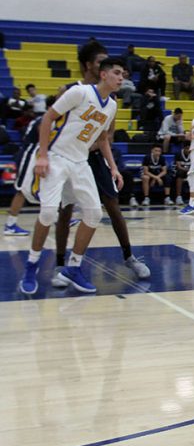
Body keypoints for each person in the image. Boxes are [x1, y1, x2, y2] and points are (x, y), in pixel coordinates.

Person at [46, 42, 150, 287]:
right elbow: (53, 125)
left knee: (112, 205)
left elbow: (106, 136)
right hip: (69, 155)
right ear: (90, 66)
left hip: (92, 157)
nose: (115, 70)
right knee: (65, 209)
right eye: (101, 60)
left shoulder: (110, 100)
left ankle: (129, 257)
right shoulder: (70, 91)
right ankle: (62, 264)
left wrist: (110, 163)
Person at [18, 57, 125, 294]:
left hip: (80, 161)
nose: (121, 78)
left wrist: (113, 167)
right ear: (104, 74)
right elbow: (47, 118)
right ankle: (31, 266)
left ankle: (73, 267)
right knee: (47, 213)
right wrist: (43, 155)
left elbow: (102, 138)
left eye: (123, 75)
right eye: (117, 73)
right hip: (56, 156)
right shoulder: (80, 93)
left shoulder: (112, 106)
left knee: (95, 213)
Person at [5, 95, 54, 236]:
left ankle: (57, 217)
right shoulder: (44, 120)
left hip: (36, 154)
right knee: (22, 189)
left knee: (47, 187)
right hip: (29, 153)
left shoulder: (48, 119)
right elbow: (45, 138)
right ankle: (10, 225)